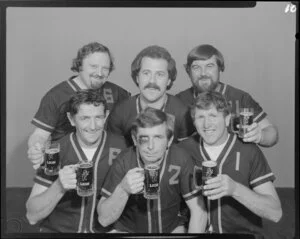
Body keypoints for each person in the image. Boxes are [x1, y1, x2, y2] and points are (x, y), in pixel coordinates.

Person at [178, 91, 282, 237]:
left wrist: (235, 189)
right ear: (194, 121)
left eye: (213, 116)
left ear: (227, 120)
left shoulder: (248, 150)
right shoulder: (182, 150)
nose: (207, 124)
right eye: (200, 117)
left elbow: (275, 212)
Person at [26, 89, 127, 233]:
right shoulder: (55, 152)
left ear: (106, 116)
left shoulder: (122, 147)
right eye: (84, 118)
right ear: (71, 119)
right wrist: (59, 186)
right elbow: (32, 216)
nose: (93, 126)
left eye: (98, 117)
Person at [97, 107, 207, 233]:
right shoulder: (124, 161)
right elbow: (103, 220)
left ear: (169, 141)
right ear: (134, 140)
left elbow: (199, 211)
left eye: (158, 137)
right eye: (144, 138)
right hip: (130, 230)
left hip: (170, 229)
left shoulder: (181, 158)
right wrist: (123, 189)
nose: (151, 146)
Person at [28, 42, 131, 167]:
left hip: (106, 164)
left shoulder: (117, 93)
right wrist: (36, 149)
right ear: (80, 65)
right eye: (93, 66)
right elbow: (40, 135)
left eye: (105, 68)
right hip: (67, 164)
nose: (99, 73)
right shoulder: (56, 96)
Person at [176, 44, 278, 147]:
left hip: (236, 161)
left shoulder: (240, 98)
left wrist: (260, 136)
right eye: (196, 67)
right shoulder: (179, 101)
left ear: (220, 68)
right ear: (188, 71)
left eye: (209, 66)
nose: (203, 73)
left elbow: (271, 133)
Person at [106, 45, 194, 146]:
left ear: (169, 80)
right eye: (146, 73)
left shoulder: (182, 113)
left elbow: (186, 155)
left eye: (160, 74)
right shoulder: (120, 112)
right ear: (137, 77)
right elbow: (115, 153)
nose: (152, 80)